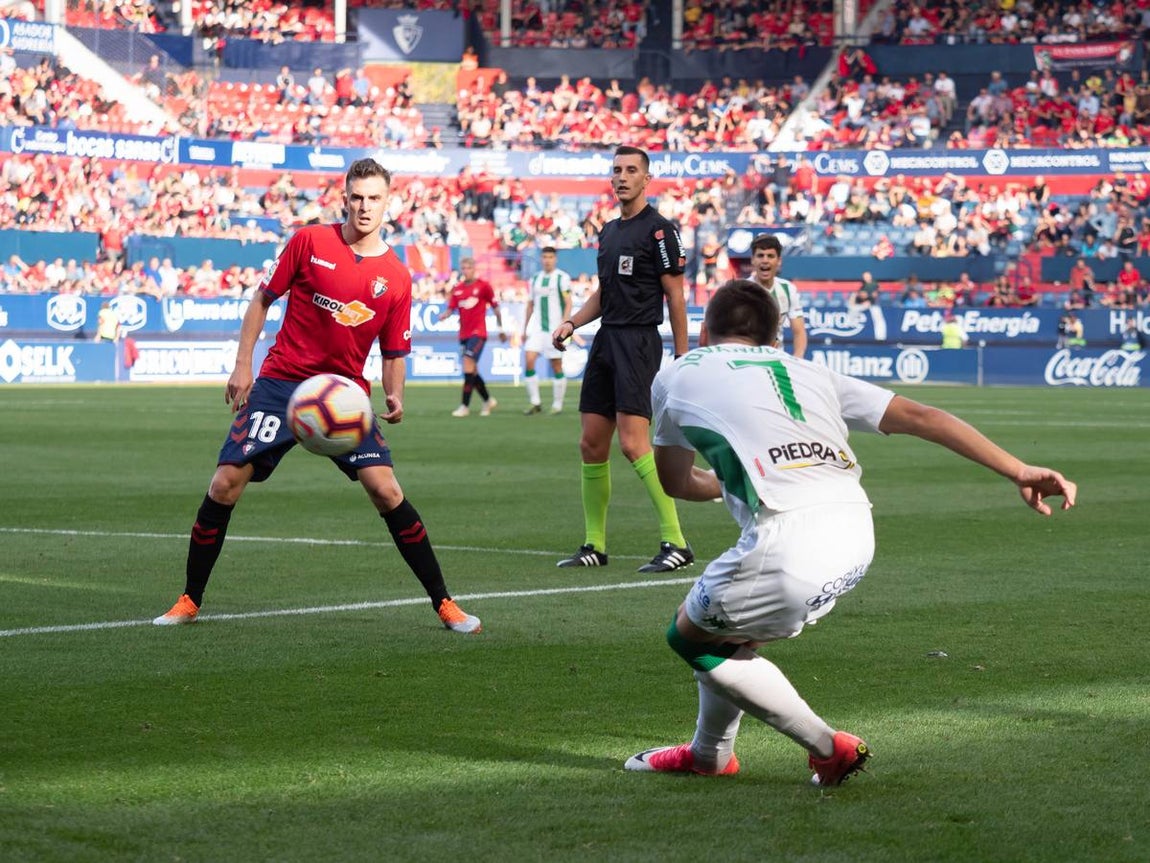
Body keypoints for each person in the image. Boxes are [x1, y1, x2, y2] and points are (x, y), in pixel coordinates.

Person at [624, 280, 1076, 783]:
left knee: (691, 637)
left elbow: (676, 482)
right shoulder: (811, 372)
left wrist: (727, 476)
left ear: (705, 334)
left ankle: (826, 747)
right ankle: (709, 756)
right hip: (856, 529)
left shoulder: (678, 372)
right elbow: (923, 416)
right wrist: (1019, 470)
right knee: (732, 631)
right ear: (775, 341)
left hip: (790, 541)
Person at [153, 159, 481, 635]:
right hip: (281, 384)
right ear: (344, 199)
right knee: (225, 483)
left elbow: (394, 352)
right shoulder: (309, 241)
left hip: (343, 397)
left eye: (374, 198)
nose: (364, 206)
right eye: (357, 197)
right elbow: (262, 299)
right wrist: (243, 364)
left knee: (387, 491)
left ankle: (445, 603)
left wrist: (395, 394)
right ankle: (189, 599)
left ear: (388, 203)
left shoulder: (396, 276)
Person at [550, 145, 693, 573]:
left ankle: (676, 541)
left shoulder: (660, 231)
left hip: (638, 341)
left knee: (633, 444)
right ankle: (594, 545)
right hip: (606, 339)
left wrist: (682, 354)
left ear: (646, 179)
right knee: (591, 443)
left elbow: (676, 295)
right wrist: (572, 322)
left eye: (632, 170)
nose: (622, 176)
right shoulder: (609, 231)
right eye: (617, 170)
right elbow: (604, 291)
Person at [439, 257, 506, 417]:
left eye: (469, 268)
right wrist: (445, 315)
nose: (466, 271)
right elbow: (451, 308)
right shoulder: (458, 289)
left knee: (468, 364)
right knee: (472, 371)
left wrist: (501, 329)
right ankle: (488, 400)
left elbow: (496, 308)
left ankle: (464, 406)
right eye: (463, 268)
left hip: (478, 333)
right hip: (464, 334)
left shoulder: (483, 286)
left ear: (474, 269)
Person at [521, 246, 573, 415]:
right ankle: (535, 402)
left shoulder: (562, 278)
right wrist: (524, 328)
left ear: (555, 259)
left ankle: (557, 405)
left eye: (550, 257)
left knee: (556, 366)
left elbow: (568, 303)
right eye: (544, 257)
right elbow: (530, 305)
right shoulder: (535, 279)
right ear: (541, 259)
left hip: (554, 329)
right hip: (537, 329)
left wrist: (564, 325)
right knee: (529, 360)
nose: (547, 260)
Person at [748, 234, 807, 358]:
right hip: (747, 359)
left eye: (770, 256)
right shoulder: (741, 290)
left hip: (776, 358)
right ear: (752, 260)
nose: (765, 260)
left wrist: (798, 359)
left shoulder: (788, 289)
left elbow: (799, 332)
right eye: (760, 255)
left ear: (779, 261)